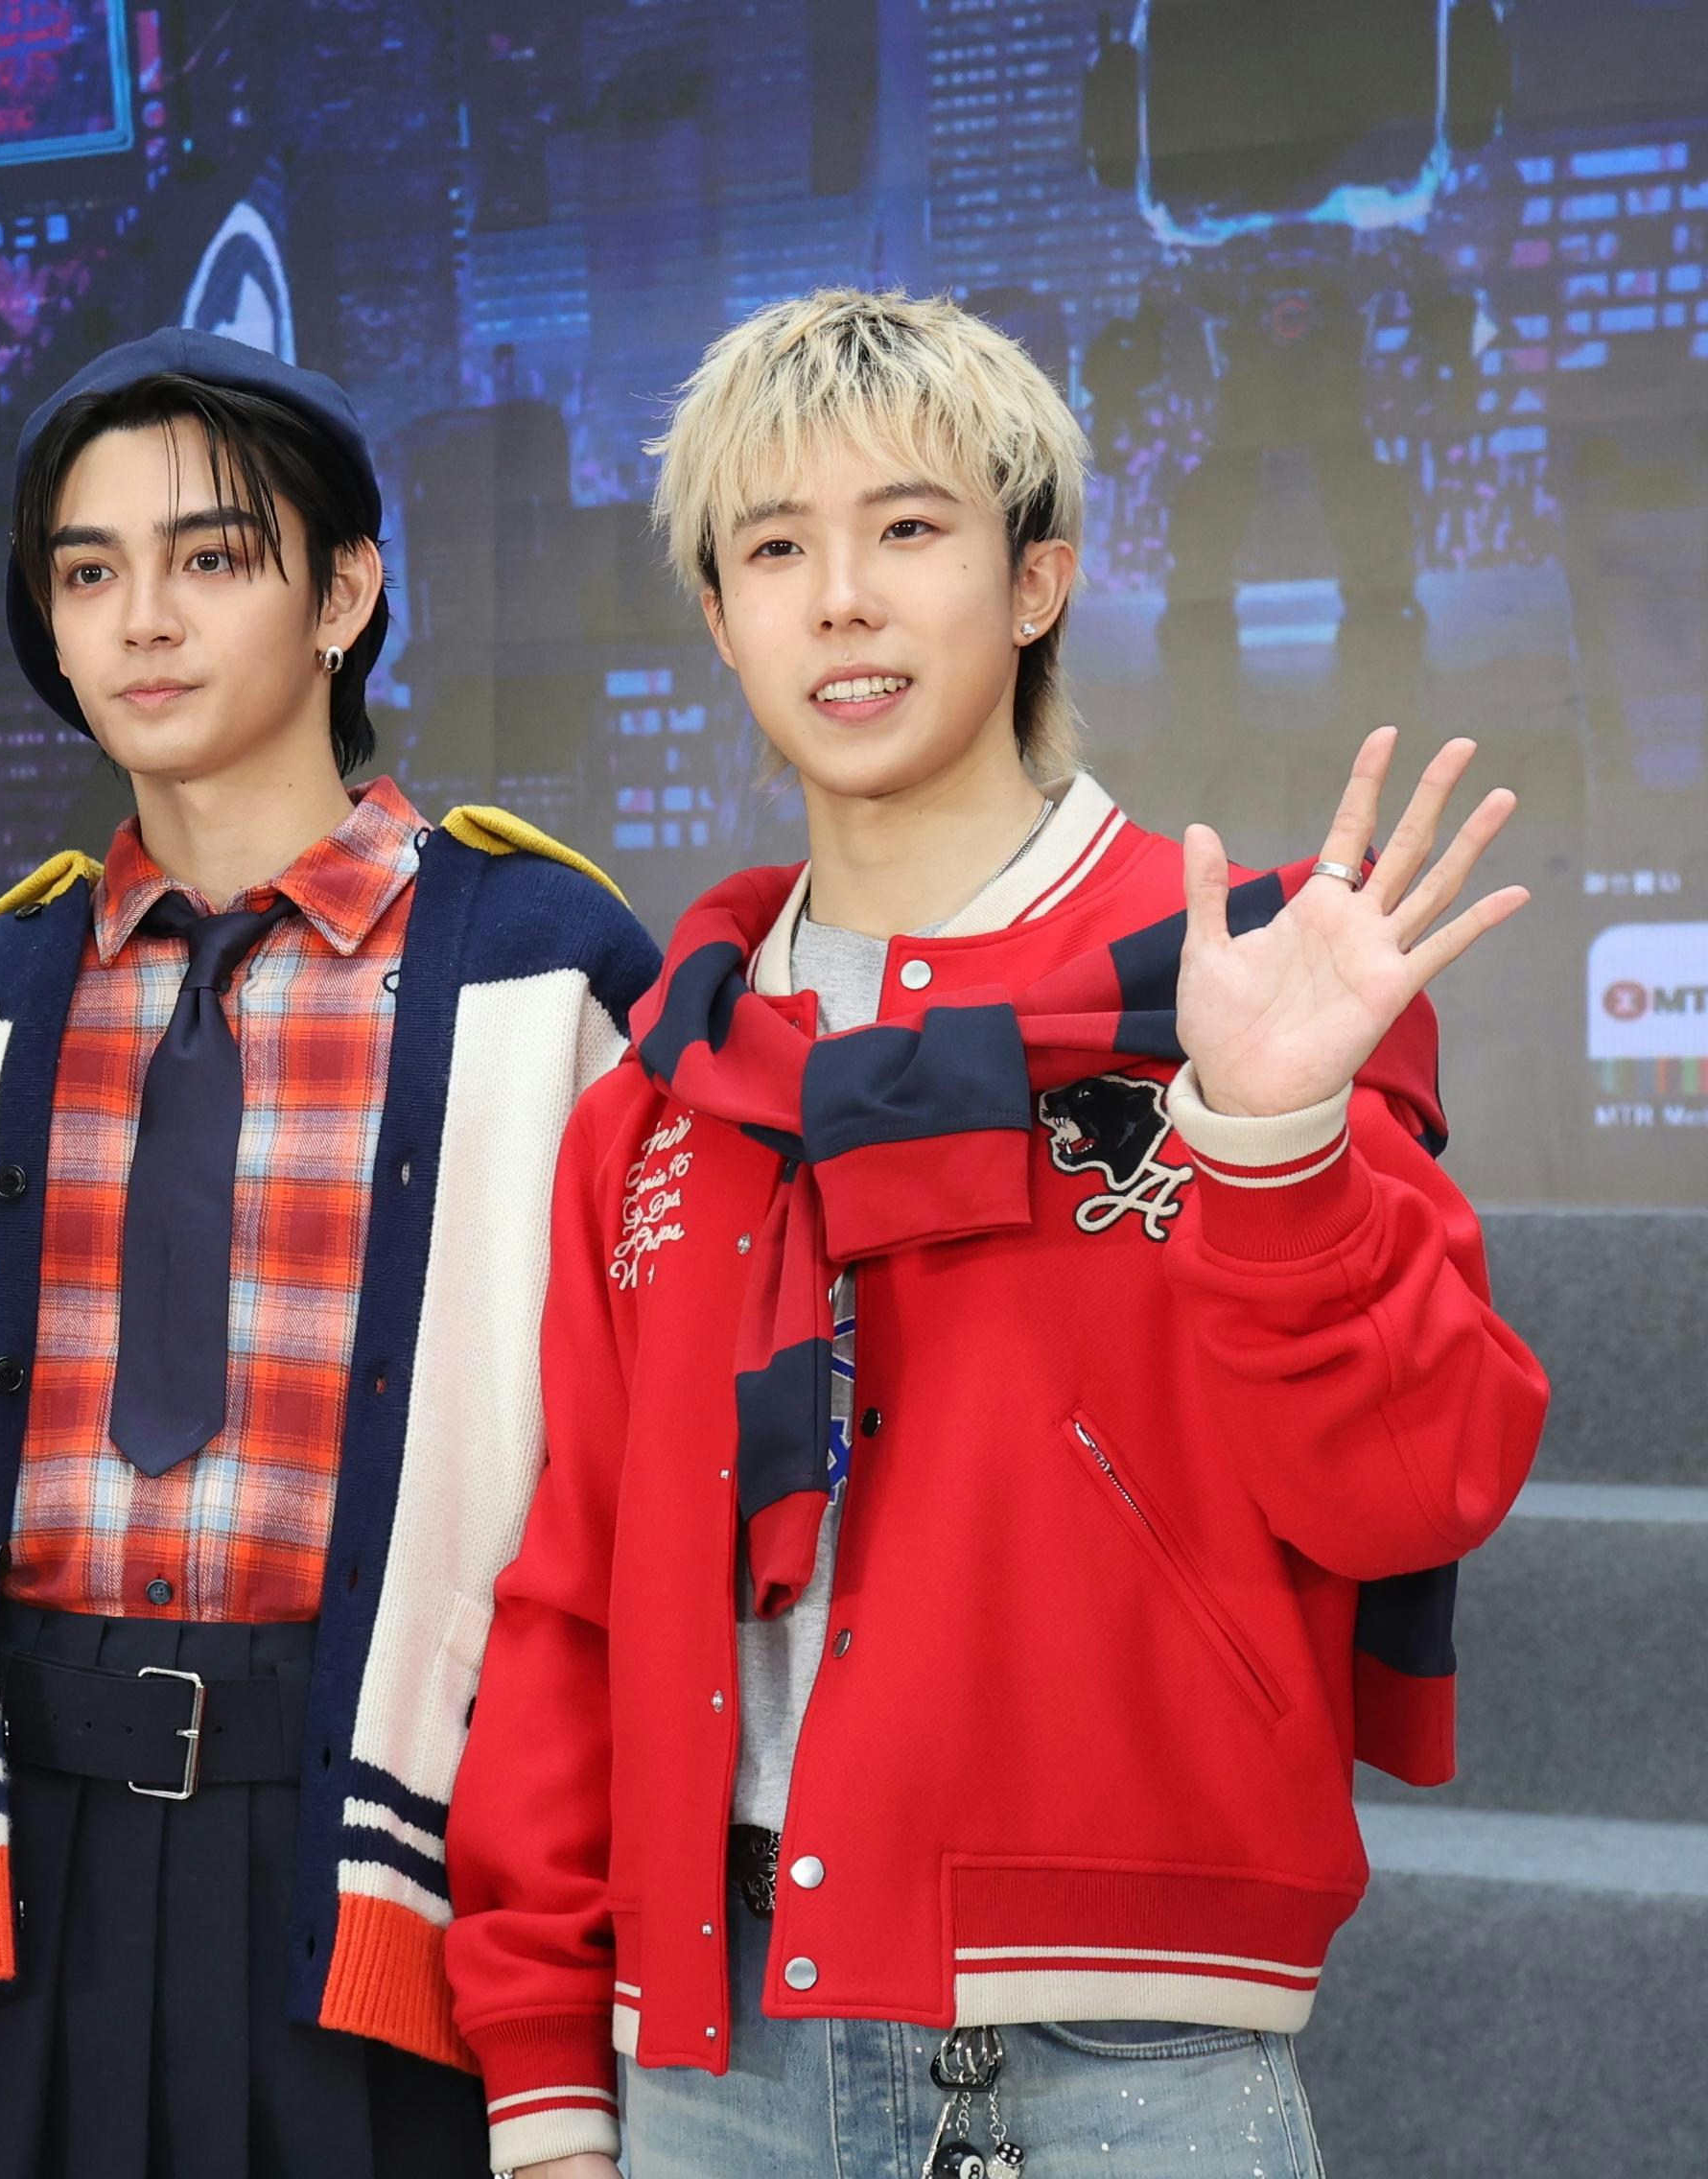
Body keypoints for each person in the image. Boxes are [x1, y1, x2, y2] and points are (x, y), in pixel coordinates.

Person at [444, 288, 1552, 2179]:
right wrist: (548, 2074)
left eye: (907, 528)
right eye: (774, 549)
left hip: (1132, 2060)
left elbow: (1416, 1484)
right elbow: (573, 1597)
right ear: (719, 616)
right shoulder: (667, 1093)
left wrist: (1275, 1140)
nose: (840, 601)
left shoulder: (1230, 994)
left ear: (1036, 580)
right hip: (717, 2057)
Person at [0, 327, 661, 2177]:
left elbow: (636, 1493)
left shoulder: (548, 984)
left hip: (383, 1856)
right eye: (88, 574)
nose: (142, 620)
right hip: (8, 1867)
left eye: (211, 557)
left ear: (345, 594)